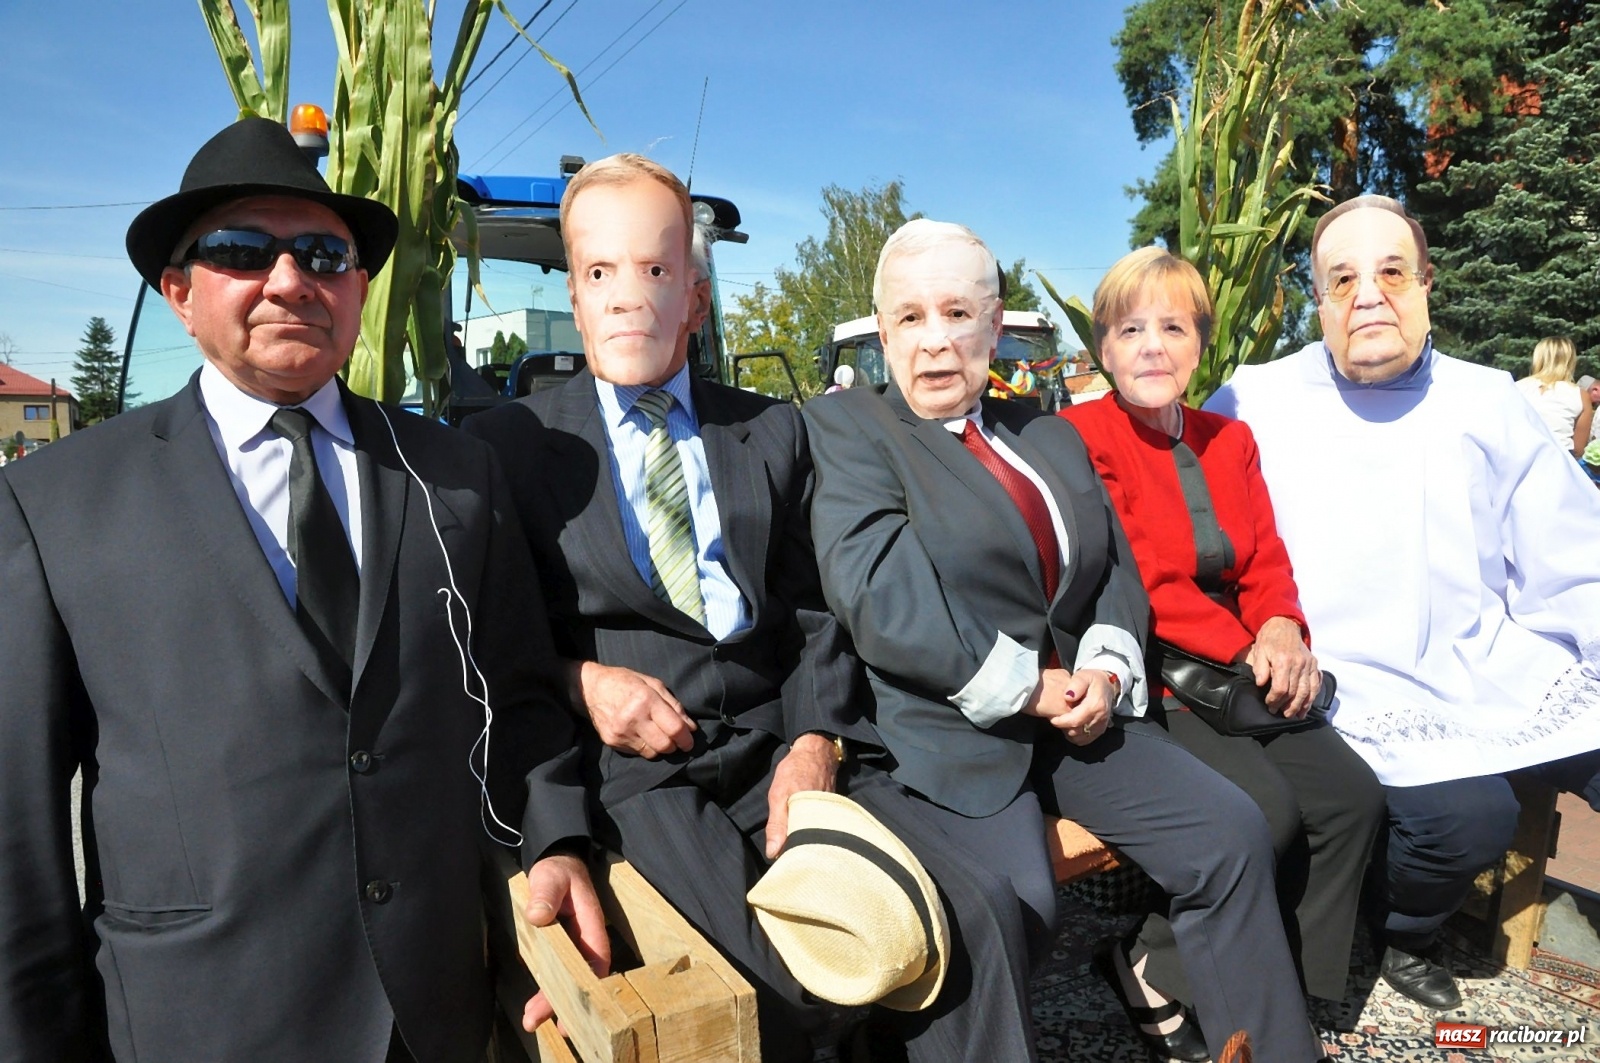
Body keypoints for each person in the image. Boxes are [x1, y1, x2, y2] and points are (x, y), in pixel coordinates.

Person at [0, 117, 597, 1063]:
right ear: (179, 292)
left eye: (324, 253)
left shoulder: (456, 474)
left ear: (358, 289)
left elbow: (517, 701)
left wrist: (557, 840)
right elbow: (19, 839)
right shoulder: (55, 505)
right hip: (195, 1023)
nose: (290, 280)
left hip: (434, 1017)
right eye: (241, 250)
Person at [464, 155, 1037, 1063]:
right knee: (792, 974)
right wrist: (586, 682)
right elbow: (499, 641)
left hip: (782, 742)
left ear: (693, 295)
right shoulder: (512, 446)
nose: (626, 297)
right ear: (574, 295)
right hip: (646, 774)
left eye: (654, 271)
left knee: (974, 916)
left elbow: (815, 614)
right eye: (600, 273)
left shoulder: (770, 428)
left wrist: (816, 741)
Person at [804, 218, 1328, 1062]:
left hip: (1078, 713)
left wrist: (1107, 670)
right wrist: (1029, 685)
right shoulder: (853, 431)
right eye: (909, 318)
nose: (935, 343)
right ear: (881, 326)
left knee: (1230, 831)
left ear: (994, 320)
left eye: (956, 313)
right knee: (1017, 904)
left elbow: (1113, 565)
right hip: (950, 733)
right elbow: (879, 593)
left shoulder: (1043, 430)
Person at [1207, 194, 1600, 1010]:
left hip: (1477, 654)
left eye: (1391, 271)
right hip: (1342, 674)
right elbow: (1190, 522)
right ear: (1319, 302)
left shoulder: (1489, 399)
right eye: (1342, 279)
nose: (1369, 295)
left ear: (1427, 285)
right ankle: (1400, 926)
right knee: (1469, 818)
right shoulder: (1257, 398)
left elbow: (1569, 546)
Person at [1061, 246, 1384, 1016]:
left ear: (1201, 342)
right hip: (1153, 667)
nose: (1152, 346)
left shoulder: (1226, 440)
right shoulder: (1082, 437)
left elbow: (1264, 555)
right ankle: (1153, 969)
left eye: (1173, 326)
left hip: (1238, 664)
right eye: (1131, 328)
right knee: (1263, 810)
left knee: (1351, 797)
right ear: (1103, 347)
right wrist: (1250, 645)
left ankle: (1290, 989)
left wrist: (1281, 623)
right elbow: (1139, 579)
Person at [1515, 336, 1594, 457]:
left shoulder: (1516, 388)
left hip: (1519, 456)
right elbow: (1578, 448)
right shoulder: (1580, 395)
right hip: (1559, 459)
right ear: (1570, 361)